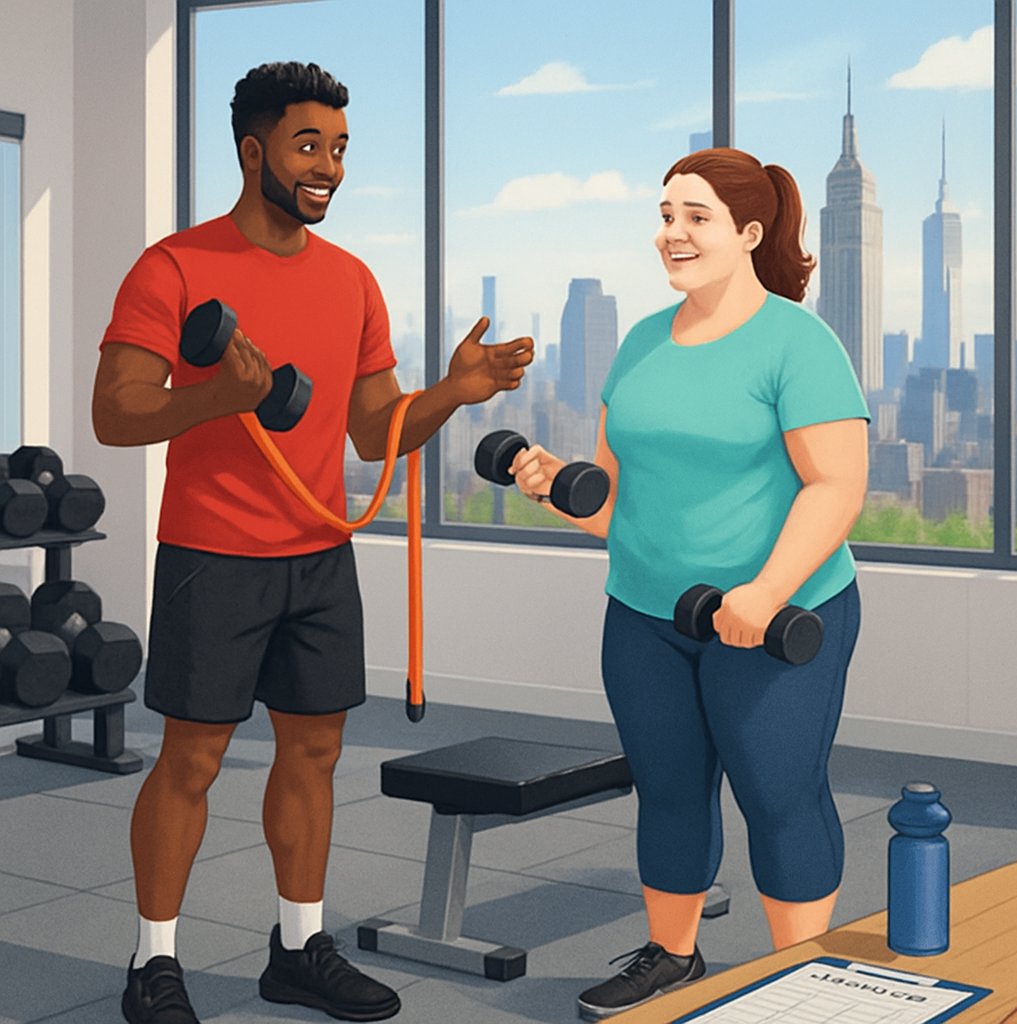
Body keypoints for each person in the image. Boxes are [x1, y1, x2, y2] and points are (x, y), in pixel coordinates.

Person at [92, 61, 533, 1024]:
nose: (327, 165)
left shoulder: (351, 281)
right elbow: (116, 414)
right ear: (253, 151)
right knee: (193, 760)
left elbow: (374, 432)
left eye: (337, 148)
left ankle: (298, 946)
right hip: (214, 554)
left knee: (314, 753)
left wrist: (455, 392)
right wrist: (221, 396)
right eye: (307, 145)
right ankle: (151, 964)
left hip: (319, 553)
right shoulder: (173, 268)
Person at [509, 147, 869, 1020]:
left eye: (696, 216)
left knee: (778, 797)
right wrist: (557, 485)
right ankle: (671, 956)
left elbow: (837, 486)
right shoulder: (639, 343)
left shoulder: (797, 341)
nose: (672, 232)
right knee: (667, 788)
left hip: (776, 618)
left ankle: (805, 981)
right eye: (666, 213)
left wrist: (766, 591)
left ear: (748, 232)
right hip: (643, 613)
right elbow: (614, 501)